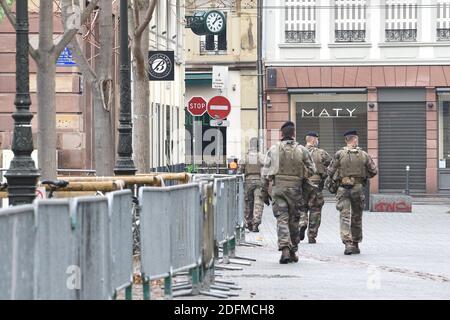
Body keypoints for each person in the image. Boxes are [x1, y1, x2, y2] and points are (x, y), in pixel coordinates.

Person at [261, 121, 316, 264]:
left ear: (281, 134)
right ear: (293, 134)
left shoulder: (273, 149)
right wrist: (300, 174)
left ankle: (285, 248)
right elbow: (312, 170)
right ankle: (293, 250)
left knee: (282, 219)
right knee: (294, 220)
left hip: (278, 188)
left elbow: (265, 171)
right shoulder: (302, 150)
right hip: (296, 189)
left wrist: (264, 191)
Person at [327, 130, 378, 255]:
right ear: (355, 139)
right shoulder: (364, 155)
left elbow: (330, 170)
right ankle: (355, 243)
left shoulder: (339, 154)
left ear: (346, 140)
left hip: (342, 189)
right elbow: (373, 171)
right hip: (358, 188)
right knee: (357, 217)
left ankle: (347, 243)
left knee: (345, 216)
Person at [299, 131, 332, 244]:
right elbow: (331, 164)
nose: (318, 141)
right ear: (313, 140)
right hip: (316, 185)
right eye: (317, 139)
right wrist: (325, 175)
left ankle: (302, 222)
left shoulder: (298, 151)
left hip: (302, 184)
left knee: (302, 207)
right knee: (315, 210)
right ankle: (312, 236)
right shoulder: (321, 153)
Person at [238, 138, 264, 232]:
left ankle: (248, 222)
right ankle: (256, 223)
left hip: (248, 181)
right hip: (259, 181)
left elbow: (240, 170)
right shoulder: (261, 156)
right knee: (258, 203)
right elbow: (266, 166)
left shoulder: (245, 157)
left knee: (248, 202)